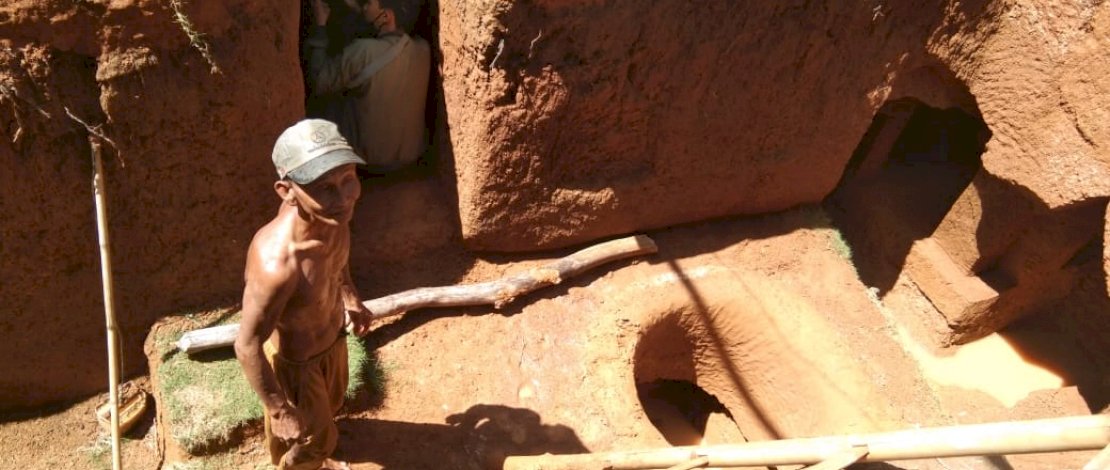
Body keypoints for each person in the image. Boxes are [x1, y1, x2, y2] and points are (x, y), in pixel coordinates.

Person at [235, 119, 375, 470]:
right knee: (316, 441)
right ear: (286, 191)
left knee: (334, 406)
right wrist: (279, 409)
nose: (343, 198)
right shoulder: (277, 265)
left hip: (334, 342)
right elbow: (247, 344)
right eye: (324, 187)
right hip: (298, 365)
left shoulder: (332, 218)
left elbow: (337, 264)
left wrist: (351, 298)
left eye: (348, 180)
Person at [304, 0, 431, 173]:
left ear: (385, 16)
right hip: (410, 159)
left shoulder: (362, 51)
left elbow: (317, 81)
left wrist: (320, 25)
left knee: (328, 99)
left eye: (368, 4)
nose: (364, 8)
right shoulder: (423, 50)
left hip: (368, 164)